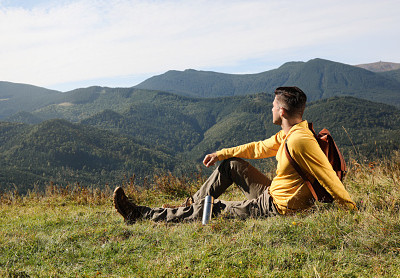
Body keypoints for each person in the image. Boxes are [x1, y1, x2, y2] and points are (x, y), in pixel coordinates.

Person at [113, 86, 356, 224]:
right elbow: (258, 148)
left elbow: (327, 175)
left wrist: (351, 209)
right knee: (231, 166)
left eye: (273, 105)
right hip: (274, 192)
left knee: (213, 210)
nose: (270, 108)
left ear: (281, 111)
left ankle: (141, 215)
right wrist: (221, 154)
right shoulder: (292, 132)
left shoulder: (299, 140)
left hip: (278, 207)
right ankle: (189, 205)